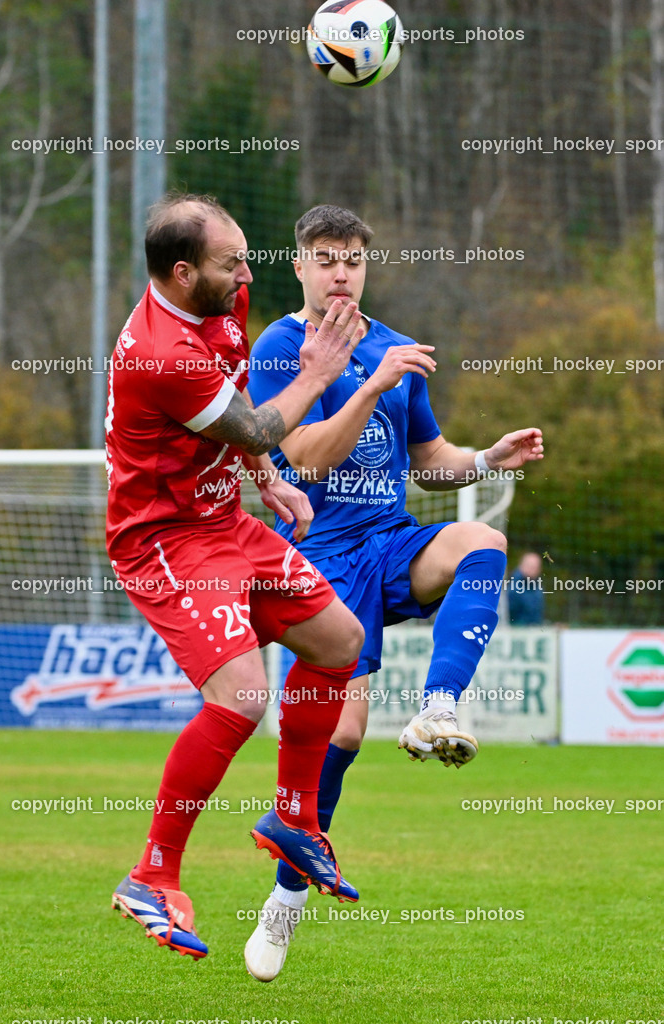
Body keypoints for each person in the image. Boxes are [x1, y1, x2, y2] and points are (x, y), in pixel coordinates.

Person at [245, 204, 544, 980]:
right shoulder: (281, 347)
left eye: (351, 257)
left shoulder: (391, 343)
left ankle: (439, 705)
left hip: (390, 537)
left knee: (483, 542)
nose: (340, 269)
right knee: (337, 739)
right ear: (300, 267)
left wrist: (486, 457)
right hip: (318, 552)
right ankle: (284, 902)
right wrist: (369, 384)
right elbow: (303, 460)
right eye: (323, 256)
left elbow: (429, 457)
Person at [105, 192, 369, 961]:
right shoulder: (158, 352)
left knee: (337, 640)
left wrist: (263, 477)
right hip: (164, 538)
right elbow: (257, 422)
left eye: (247, 255)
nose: (246, 273)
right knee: (244, 697)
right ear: (183, 274)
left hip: (225, 522)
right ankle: (151, 875)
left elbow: (239, 409)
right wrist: (318, 372)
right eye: (232, 263)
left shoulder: (223, 295)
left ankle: (293, 818)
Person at [508, 552, 545, 625]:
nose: (533, 570)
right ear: (521, 566)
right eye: (530, 566)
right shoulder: (512, 587)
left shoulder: (537, 587)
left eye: (535, 567)